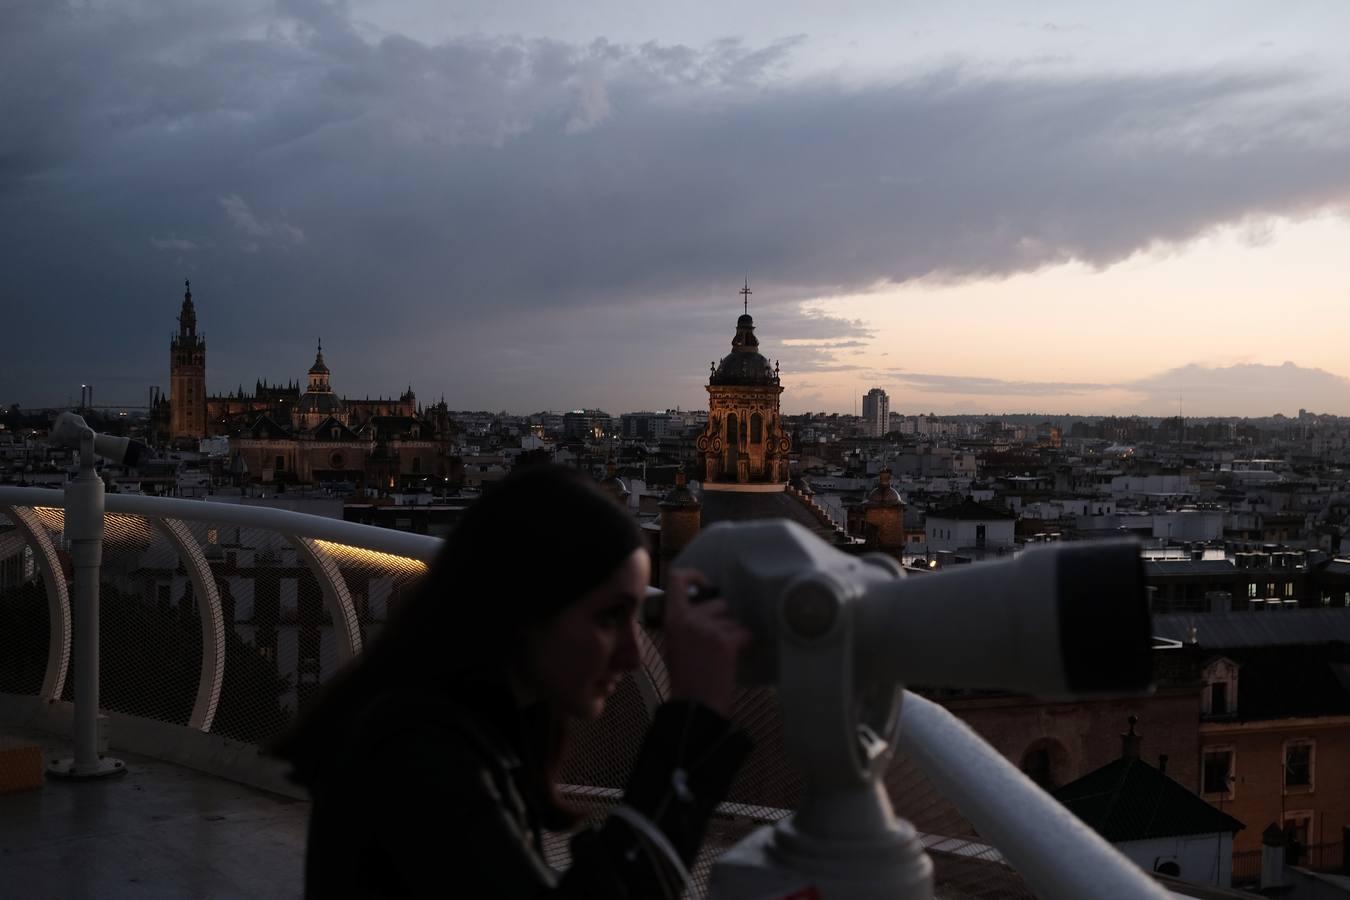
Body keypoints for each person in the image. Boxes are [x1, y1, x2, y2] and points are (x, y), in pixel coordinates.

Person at [270, 464, 753, 898]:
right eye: (610, 617)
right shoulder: (418, 756)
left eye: (639, 616)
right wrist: (691, 726)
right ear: (526, 608)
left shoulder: (437, 728)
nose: (632, 655)